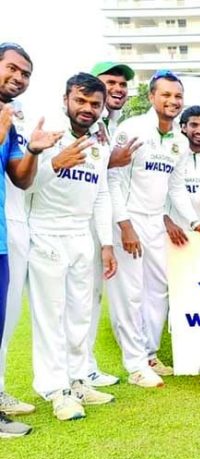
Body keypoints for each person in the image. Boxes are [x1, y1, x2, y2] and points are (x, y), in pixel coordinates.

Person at [108, 70, 200, 389]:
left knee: (158, 289)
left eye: (177, 96)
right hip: (128, 220)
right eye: (165, 95)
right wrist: (125, 225)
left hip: (155, 221)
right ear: (152, 97)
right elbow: (114, 179)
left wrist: (195, 222)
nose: (172, 101)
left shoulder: (179, 143)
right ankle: (135, 364)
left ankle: (149, 353)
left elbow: (176, 188)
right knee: (130, 293)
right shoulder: (132, 129)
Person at [28, 73, 119, 421]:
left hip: (82, 235)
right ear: (65, 99)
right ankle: (56, 390)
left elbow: (101, 195)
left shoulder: (100, 142)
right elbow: (27, 186)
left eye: (94, 104)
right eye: (80, 101)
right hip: (47, 232)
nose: (87, 109)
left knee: (81, 314)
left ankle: (79, 379)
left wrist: (106, 244)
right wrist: (54, 161)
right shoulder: (47, 136)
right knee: (52, 315)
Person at [0, 42, 65, 436]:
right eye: (13, 68)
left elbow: (20, 178)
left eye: (26, 74)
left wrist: (36, 152)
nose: (19, 78)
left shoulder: (9, 119)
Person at [81, 61, 139, 388]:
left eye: (121, 84)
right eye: (110, 82)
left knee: (91, 297)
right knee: (80, 298)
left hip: (99, 220)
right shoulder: (91, 122)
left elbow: (109, 181)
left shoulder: (111, 124)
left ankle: (86, 366)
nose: (117, 89)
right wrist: (125, 224)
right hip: (78, 221)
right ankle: (77, 370)